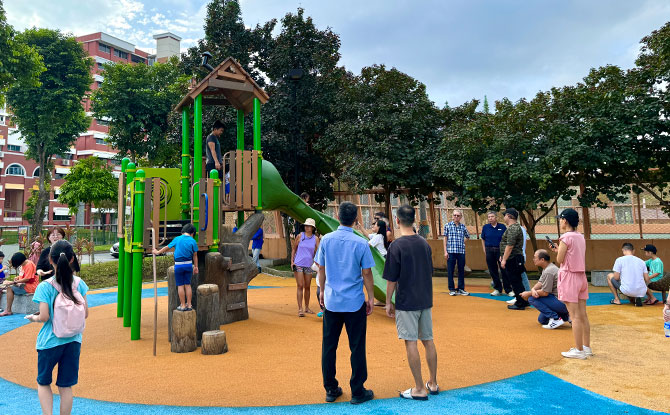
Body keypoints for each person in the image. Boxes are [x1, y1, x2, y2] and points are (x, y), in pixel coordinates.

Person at [315, 201, 375, 405]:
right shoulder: (360, 243)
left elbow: (321, 268)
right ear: (356, 219)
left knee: (329, 346)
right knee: (357, 346)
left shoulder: (326, 240)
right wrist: (371, 297)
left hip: (332, 301)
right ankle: (358, 390)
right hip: (354, 302)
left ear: (337, 216)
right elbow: (366, 272)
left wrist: (322, 291)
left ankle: (331, 389)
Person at [26, 240, 89, 415]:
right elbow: (85, 313)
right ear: (71, 259)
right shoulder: (78, 283)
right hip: (73, 341)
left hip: (49, 342)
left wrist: (33, 318)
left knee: (44, 382)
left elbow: (44, 316)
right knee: (66, 386)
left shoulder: (45, 286)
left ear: (50, 260)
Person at [384, 205, 438, 401]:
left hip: (407, 301)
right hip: (425, 298)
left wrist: (389, 301)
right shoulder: (424, 244)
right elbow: (430, 271)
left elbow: (391, 279)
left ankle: (418, 388)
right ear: (413, 220)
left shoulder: (396, 246)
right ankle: (432, 382)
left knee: (411, 342)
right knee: (428, 340)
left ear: (397, 221)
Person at [550, 208, 592, 359]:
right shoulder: (580, 237)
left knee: (574, 316)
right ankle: (586, 347)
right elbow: (571, 255)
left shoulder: (565, 238)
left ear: (565, 220)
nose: (560, 221)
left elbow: (560, 260)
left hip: (569, 277)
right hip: (581, 277)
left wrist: (558, 251)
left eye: (561, 219)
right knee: (582, 315)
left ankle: (578, 350)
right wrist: (559, 250)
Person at [153, 224, 199, 311]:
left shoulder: (177, 239)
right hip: (189, 264)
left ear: (183, 231)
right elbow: (195, 255)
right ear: (192, 233)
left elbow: (167, 247)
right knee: (188, 285)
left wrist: (158, 252)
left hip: (178, 265)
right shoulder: (193, 241)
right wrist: (196, 267)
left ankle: (182, 305)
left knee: (180, 285)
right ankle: (189, 305)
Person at [520, 249, 570, 329]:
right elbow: (540, 282)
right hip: (561, 301)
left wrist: (529, 293)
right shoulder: (548, 268)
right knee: (542, 320)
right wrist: (532, 290)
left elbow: (545, 293)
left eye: (535, 257)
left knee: (532, 298)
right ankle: (566, 316)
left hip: (561, 302)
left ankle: (556, 318)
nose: (533, 259)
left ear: (542, 259)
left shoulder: (549, 271)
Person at [499, 208, 529, 310]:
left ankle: (520, 303)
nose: (504, 217)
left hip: (513, 258)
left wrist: (504, 259)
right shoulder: (514, 228)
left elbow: (510, 246)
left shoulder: (513, 228)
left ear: (509, 216)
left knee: (515, 281)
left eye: (505, 215)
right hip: (514, 258)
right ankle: (522, 301)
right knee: (517, 281)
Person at [291, 218, 320, 317]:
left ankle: (307, 307)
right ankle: (300, 309)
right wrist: (292, 262)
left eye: (309, 226)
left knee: (307, 287)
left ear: (313, 228)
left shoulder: (315, 239)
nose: (307, 227)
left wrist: (318, 263)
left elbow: (318, 252)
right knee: (300, 285)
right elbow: (294, 249)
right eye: (306, 225)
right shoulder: (300, 236)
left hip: (309, 265)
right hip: (298, 263)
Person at [0, 252, 38, 316]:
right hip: (25, 284)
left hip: (31, 286)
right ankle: (8, 310)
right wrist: (17, 278)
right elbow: (23, 275)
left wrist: (14, 282)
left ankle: (8, 310)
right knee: (8, 286)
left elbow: (27, 279)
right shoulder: (24, 264)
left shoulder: (29, 265)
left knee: (9, 288)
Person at [480, 212, 508, 296]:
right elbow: (483, 239)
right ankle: (497, 289)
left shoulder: (502, 227)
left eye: (492, 216)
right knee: (492, 270)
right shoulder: (485, 227)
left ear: (496, 217)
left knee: (504, 269)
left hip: (500, 250)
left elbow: (506, 240)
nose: (490, 218)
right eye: (489, 217)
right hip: (489, 250)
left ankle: (508, 289)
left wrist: (503, 253)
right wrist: (485, 250)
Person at [444, 209, 470, 296]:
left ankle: (461, 288)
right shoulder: (447, 225)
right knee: (450, 270)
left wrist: (462, 243)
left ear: (460, 217)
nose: (456, 217)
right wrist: (445, 251)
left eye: (458, 215)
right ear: (452, 216)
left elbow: (468, 236)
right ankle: (451, 289)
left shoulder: (463, 227)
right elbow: (445, 238)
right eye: (454, 215)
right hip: (451, 251)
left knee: (461, 270)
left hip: (461, 251)